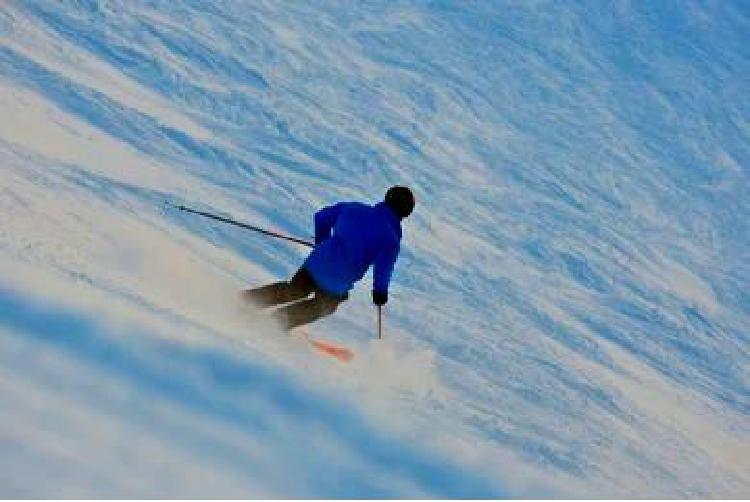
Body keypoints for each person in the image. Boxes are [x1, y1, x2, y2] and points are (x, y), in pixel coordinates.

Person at [243, 186, 415, 331]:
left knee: (295, 290)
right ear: (404, 213)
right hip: (339, 280)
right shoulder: (390, 239)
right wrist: (379, 293)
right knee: (323, 306)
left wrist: (322, 242)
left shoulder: (353, 208)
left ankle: (247, 301)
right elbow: (383, 268)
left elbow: (321, 217)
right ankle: (276, 322)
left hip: (316, 264)